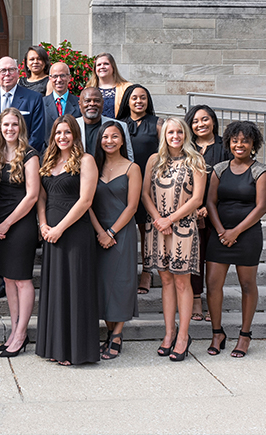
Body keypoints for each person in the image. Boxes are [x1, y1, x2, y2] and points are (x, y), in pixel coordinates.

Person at [35, 114, 99, 366]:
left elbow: (86, 200)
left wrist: (59, 228)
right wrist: (43, 224)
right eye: (58, 133)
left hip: (74, 233)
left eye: (67, 132)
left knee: (75, 289)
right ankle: (55, 346)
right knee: (56, 290)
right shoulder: (48, 160)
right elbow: (41, 197)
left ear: (75, 135)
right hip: (50, 233)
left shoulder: (86, 160)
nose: (62, 137)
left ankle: (76, 351)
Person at [142, 117, 206, 362]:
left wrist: (170, 220)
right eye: (171, 132)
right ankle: (169, 334)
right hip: (157, 226)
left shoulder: (196, 160)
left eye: (179, 131)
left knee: (182, 283)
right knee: (166, 281)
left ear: (185, 134)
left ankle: (183, 336)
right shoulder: (154, 160)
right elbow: (145, 194)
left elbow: (197, 199)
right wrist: (159, 218)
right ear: (164, 135)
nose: (175, 136)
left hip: (183, 228)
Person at [205, 121, 266, 358]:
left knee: (247, 285)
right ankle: (217, 333)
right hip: (220, 234)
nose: (239, 144)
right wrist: (222, 230)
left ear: (253, 144)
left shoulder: (260, 170)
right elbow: (211, 202)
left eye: (245, 140)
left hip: (248, 235)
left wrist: (236, 232)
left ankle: (244, 335)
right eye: (235, 140)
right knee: (212, 285)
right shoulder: (220, 168)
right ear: (229, 142)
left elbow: (261, 207)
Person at [0, 108, 39, 357]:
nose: (10, 129)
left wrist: (7, 223)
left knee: (22, 279)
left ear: (21, 128)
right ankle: (14, 329)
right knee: (7, 278)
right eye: (5, 125)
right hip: (0, 223)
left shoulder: (30, 155)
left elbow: (32, 196)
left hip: (21, 223)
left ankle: (21, 333)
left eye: (14, 125)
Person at [88, 122, 141, 360]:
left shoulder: (132, 168)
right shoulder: (93, 167)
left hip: (122, 233)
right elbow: (86, 202)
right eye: (105, 137)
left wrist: (111, 232)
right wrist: (100, 231)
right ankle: (109, 331)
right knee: (101, 284)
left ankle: (117, 335)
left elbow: (132, 206)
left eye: (115, 136)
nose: (109, 140)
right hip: (96, 232)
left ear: (122, 140)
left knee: (121, 283)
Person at [116, 84, 164, 295]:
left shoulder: (158, 124)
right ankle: (125, 271)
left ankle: (146, 271)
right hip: (123, 182)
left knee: (146, 229)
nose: (138, 101)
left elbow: (165, 153)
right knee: (125, 228)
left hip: (149, 182)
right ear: (127, 100)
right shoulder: (118, 124)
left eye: (142, 98)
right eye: (134, 98)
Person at [185, 105, 231, 321]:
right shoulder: (186, 147)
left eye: (205, 119)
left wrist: (207, 206)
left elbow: (231, 179)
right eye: (195, 121)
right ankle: (195, 299)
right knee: (194, 256)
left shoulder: (225, 146)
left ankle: (213, 299)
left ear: (213, 121)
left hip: (217, 212)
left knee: (212, 258)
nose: (200, 124)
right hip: (187, 213)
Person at [0, 56, 45, 153]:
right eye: (3, 70)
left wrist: (19, 157)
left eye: (11, 70)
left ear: (18, 73)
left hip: (23, 161)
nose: (7, 74)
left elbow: (37, 136)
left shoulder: (34, 99)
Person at [75, 87, 134, 160]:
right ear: (80, 104)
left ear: (103, 103)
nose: (92, 104)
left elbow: (128, 157)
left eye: (97, 100)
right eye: (87, 101)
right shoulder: (71, 126)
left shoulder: (120, 126)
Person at [42, 62, 81, 143]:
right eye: (55, 76)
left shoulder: (79, 103)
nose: (59, 80)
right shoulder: (41, 104)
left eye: (62, 76)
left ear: (69, 78)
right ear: (50, 78)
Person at [85, 52, 131, 117]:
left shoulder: (127, 88)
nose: (102, 67)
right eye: (99, 65)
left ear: (113, 67)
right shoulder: (88, 88)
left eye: (106, 64)